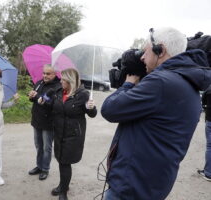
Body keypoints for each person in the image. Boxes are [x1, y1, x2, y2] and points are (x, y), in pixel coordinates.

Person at [101, 27, 211, 200]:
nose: (142, 57)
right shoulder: (188, 83)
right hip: (153, 184)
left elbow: (109, 109)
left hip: (131, 187)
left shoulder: (161, 82)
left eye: (144, 51)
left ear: (161, 50)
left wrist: (129, 83)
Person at [40, 68, 97, 200]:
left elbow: (92, 114)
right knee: (61, 161)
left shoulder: (82, 94)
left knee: (65, 163)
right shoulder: (59, 92)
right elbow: (52, 104)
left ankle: (63, 191)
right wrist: (43, 100)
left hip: (73, 135)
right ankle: (62, 185)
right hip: (59, 133)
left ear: (70, 81)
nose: (61, 82)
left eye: (64, 80)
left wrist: (91, 107)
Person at [28, 64, 62, 180]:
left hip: (49, 122)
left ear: (54, 74)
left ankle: (45, 169)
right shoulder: (39, 83)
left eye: (48, 74)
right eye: (44, 73)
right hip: (37, 119)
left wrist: (37, 96)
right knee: (38, 145)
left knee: (46, 148)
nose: (45, 76)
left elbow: (52, 103)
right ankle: (39, 166)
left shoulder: (58, 86)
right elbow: (34, 99)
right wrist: (31, 95)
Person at [198, 85, 211, 181]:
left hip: (210, 120)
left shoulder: (209, 88)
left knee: (210, 146)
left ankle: (208, 173)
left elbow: (203, 102)